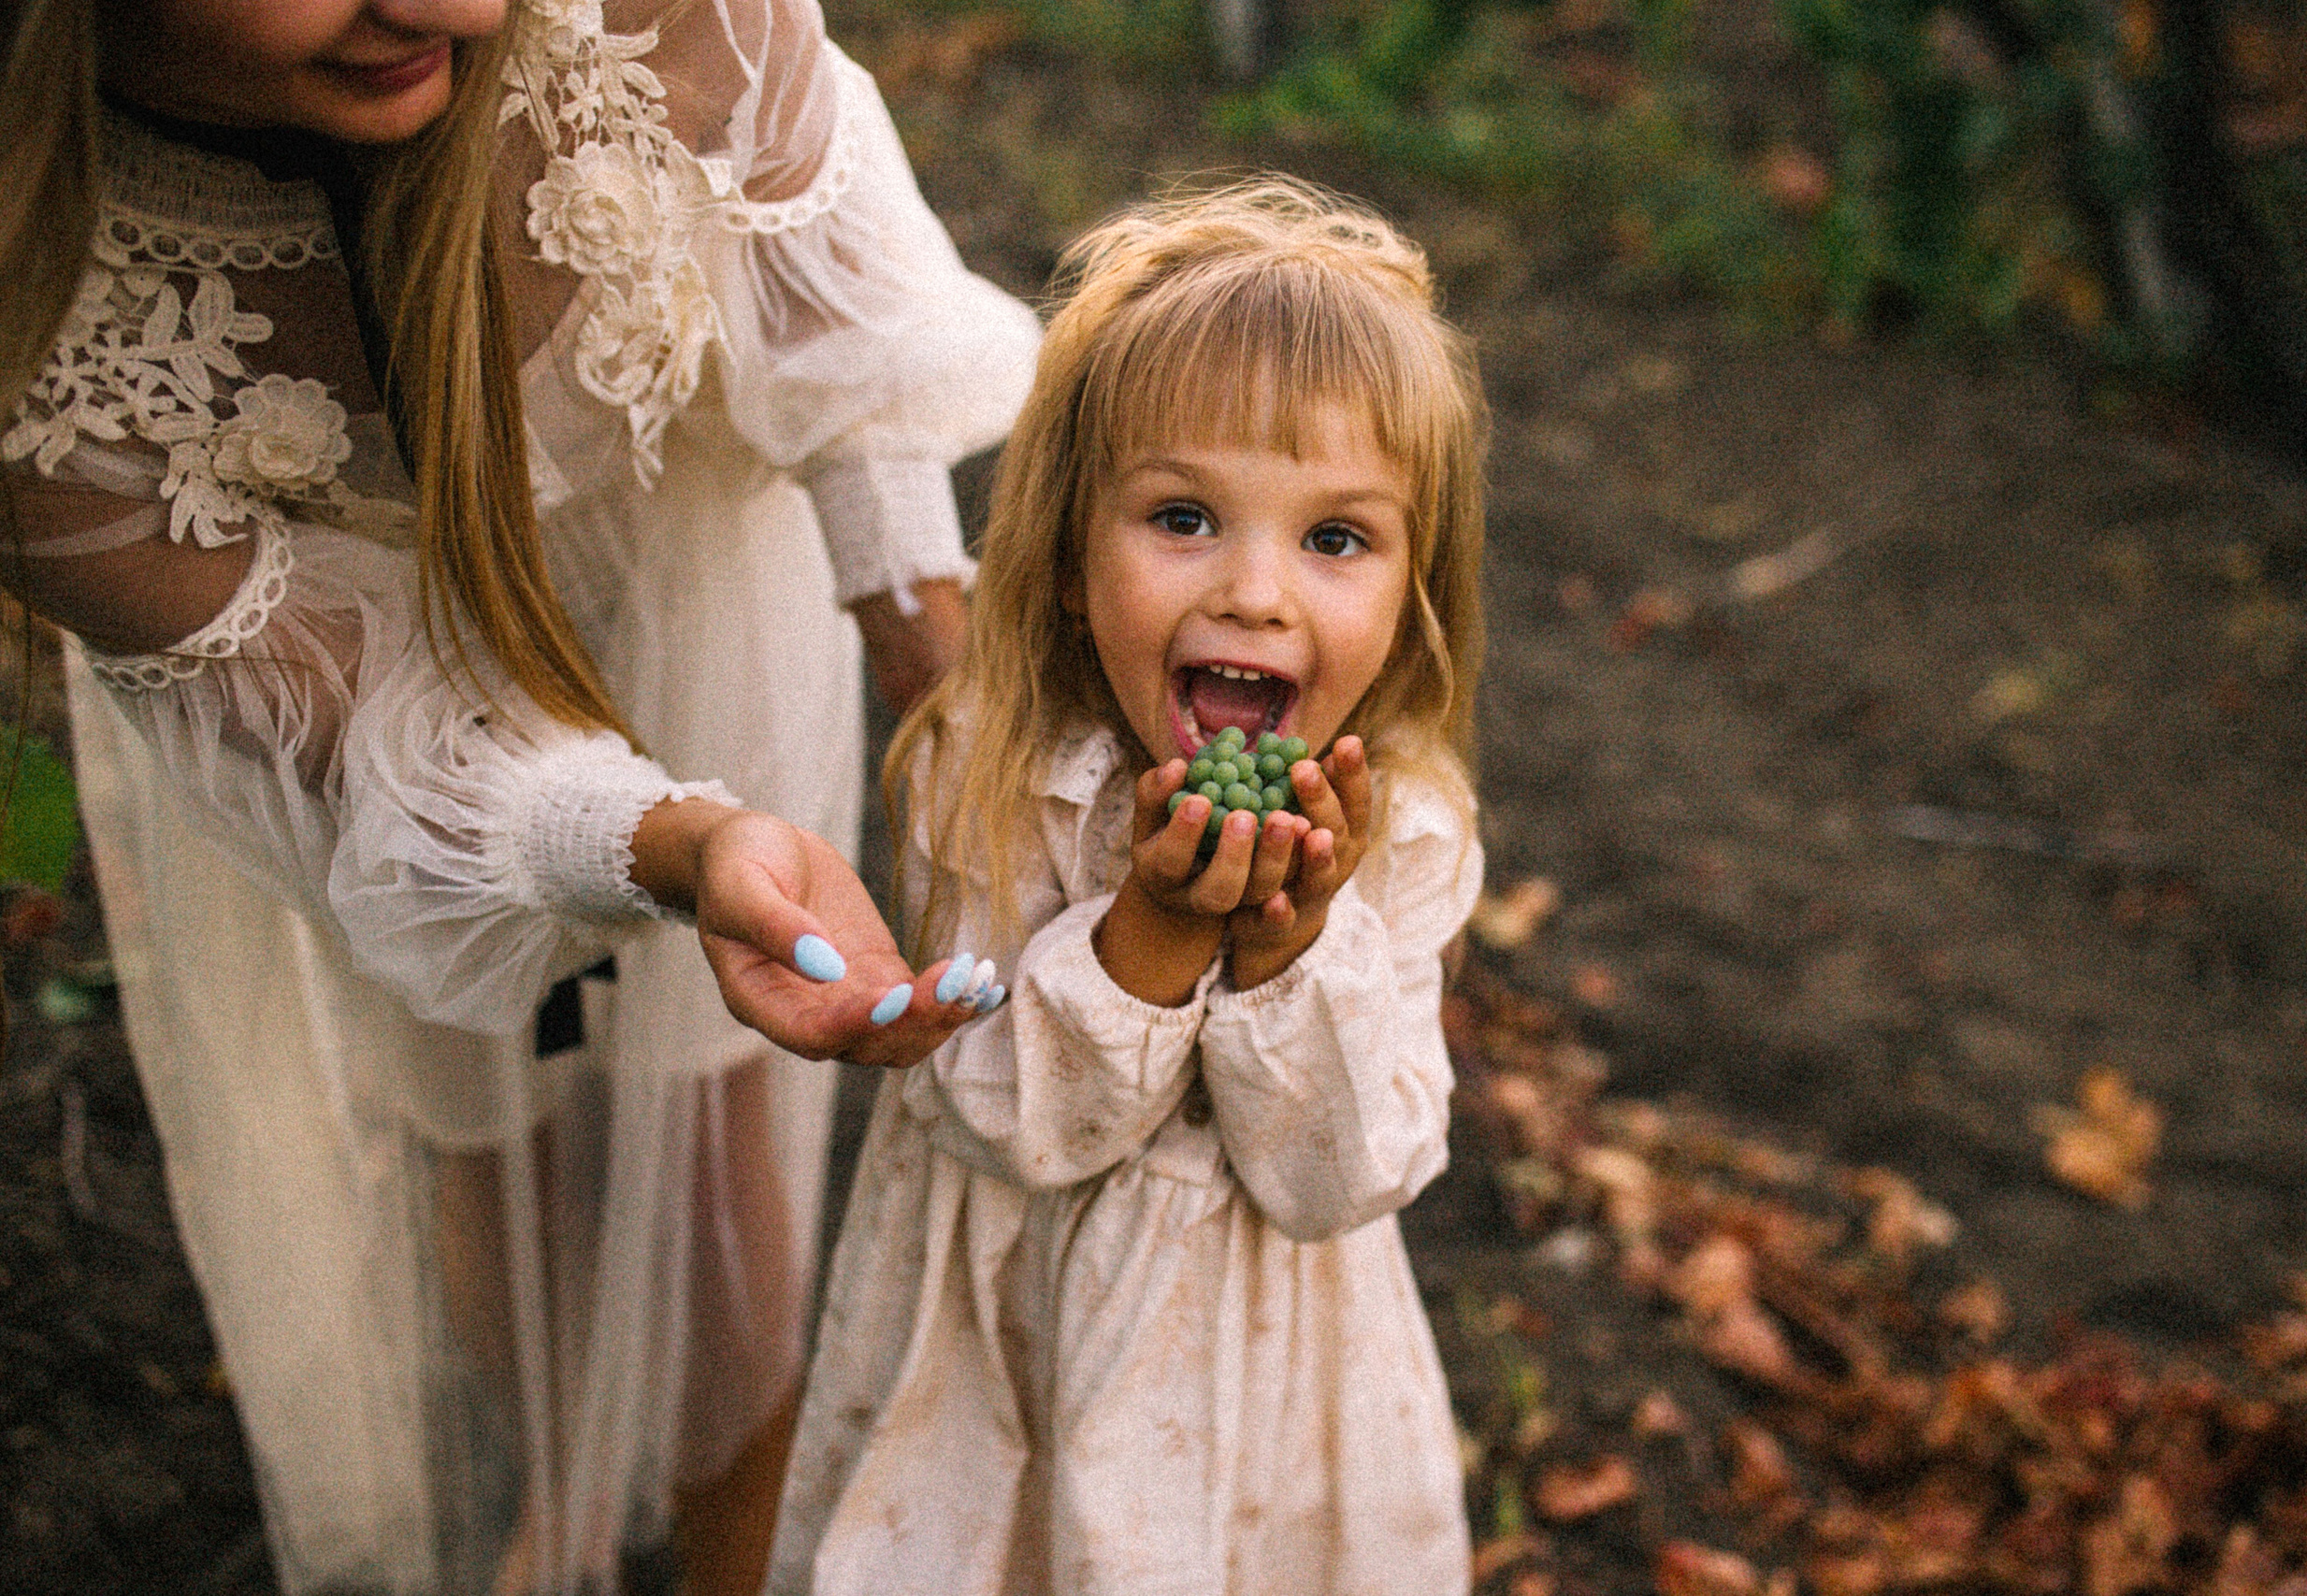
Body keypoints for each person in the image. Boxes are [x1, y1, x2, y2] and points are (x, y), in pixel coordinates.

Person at [0, 0, 1039, 1591]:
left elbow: (809, 300)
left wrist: (933, 671)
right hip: (383, 738)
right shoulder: (31, 323)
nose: (445, 9)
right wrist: (658, 844)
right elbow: (373, 746)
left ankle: (729, 1539)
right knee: (479, 1117)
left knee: (703, 1158)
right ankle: (569, 1460)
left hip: (683, 587)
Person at [768, 178, 1488, 1594]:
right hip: (1004, 1361)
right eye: (1182, 517)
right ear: (1060, 564)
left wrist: (1292, 948)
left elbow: (1343, 1178)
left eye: (1333, 537)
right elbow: (1001, 1119)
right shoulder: (993, 773)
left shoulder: (1402, 830)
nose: (1257, 594)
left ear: (1413, 594)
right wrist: (1150, 934)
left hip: (1269, 1397)